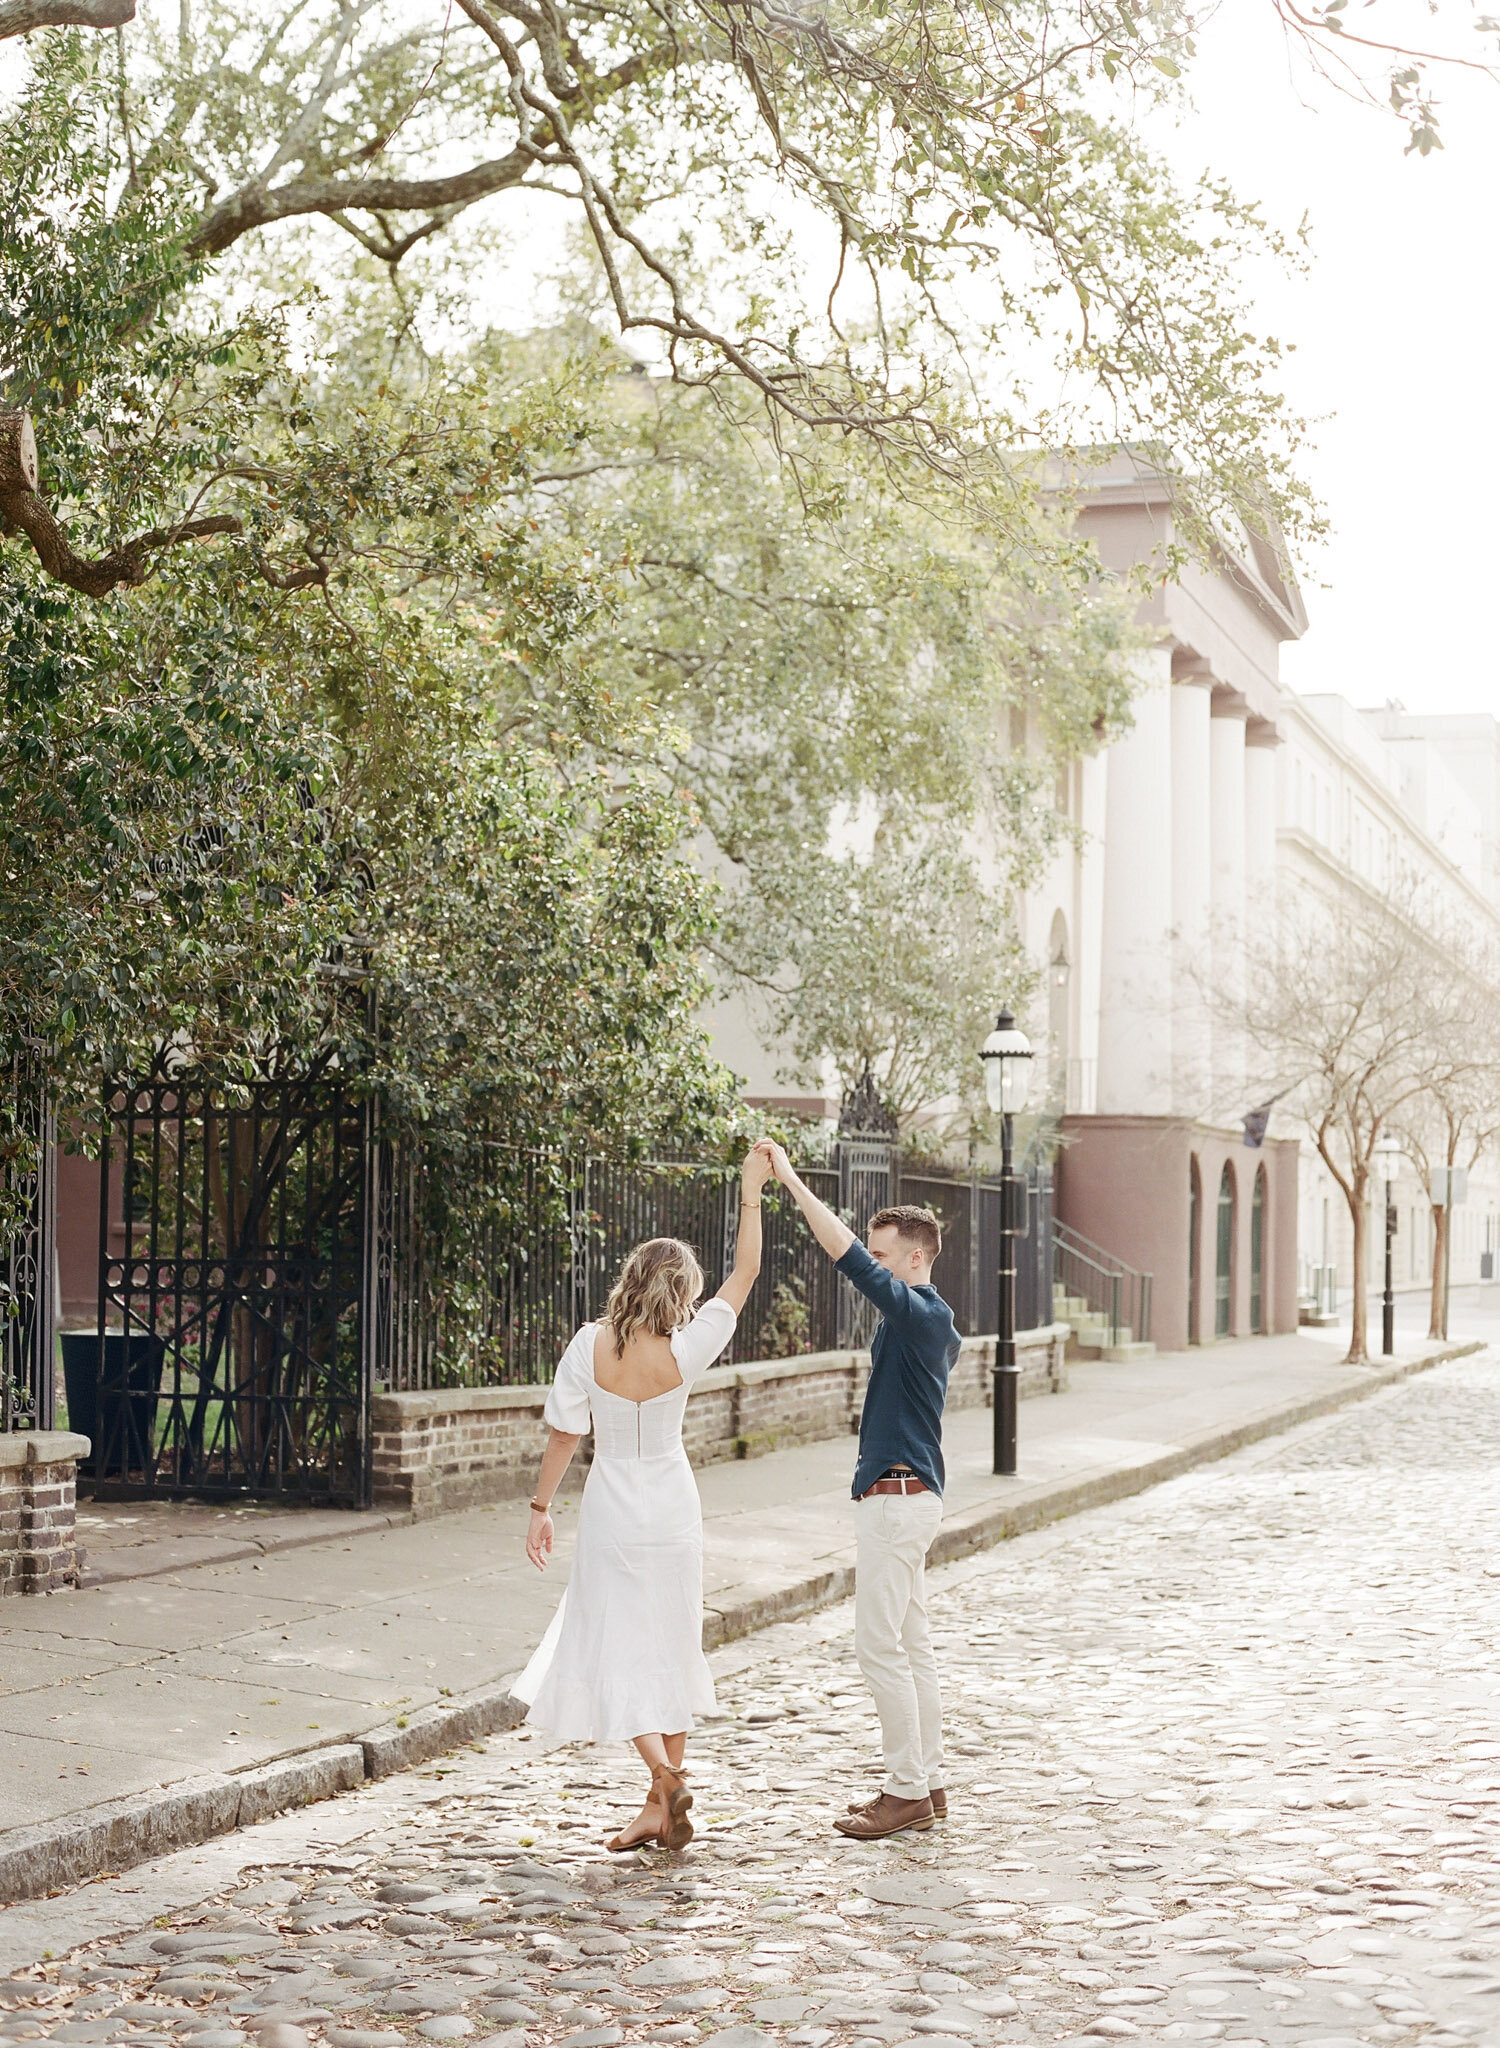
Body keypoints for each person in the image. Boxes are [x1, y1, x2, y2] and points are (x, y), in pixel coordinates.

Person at [513, 1143, 771, 1851]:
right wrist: (750, 1191)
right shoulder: (688, 1348)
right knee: (669, 1646)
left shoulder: (588, 1345)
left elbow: (565, 1437)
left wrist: (540, 1510)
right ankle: (667, 1792)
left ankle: (664, 1784)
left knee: (612, 1645)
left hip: (613, 1511)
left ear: (628, 1279)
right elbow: (746, 1271)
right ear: (682, 1293)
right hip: (673, 1506)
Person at [758, 1139, 959, 1841]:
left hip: (897, 1502)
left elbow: (842, 1252)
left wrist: (789, 1180)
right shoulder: (922, 1324)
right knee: (913, 1646)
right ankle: (926, 1783)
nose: (872, 1267)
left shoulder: (920, 1315)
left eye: (884, 1257)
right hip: (906, 1498)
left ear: (914, 1258)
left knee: (880, 1649)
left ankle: (905, 1791)